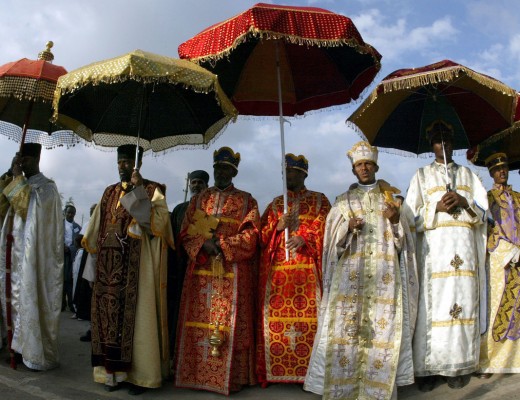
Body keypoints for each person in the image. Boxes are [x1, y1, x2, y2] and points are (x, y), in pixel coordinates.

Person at [304, 141, 418, 400]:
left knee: (382, 331)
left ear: (376, 166)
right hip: (350, 278)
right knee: (346, 330)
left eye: (367, 164)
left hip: (384, 277)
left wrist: (396, 220)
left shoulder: (393, 199)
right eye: (359, 165)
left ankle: (376, 389)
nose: (364, 168)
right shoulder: (342, 202)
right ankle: (344, 388)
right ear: (353, 170)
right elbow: (332, 245)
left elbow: (406, 246)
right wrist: (347, 228)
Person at [82, 144, 174, 395]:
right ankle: (111, 374)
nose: (123, 166)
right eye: (120, 162)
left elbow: (157, 227)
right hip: (108, 273)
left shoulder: (154, 190)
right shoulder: (108, 192)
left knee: (139, 322)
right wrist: (92, 268)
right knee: (108, 323)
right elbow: (93, 231)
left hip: (137, 272)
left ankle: (139, 377)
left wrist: (140, 191)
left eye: (127, 162)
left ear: (137, 164)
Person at [405, 120, 488, 391]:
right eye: (439, 140)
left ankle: (459, 366)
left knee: (462, 304)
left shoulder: (468, 175)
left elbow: (484, 215)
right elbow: (409, 218)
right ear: (432, 146)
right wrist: (436, 207)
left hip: (464, 252)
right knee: (434, 307)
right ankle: (428, 368)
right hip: (434, 255)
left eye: (449, 140)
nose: (445, 145)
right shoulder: (420, 176)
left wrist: (465, 202)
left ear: (454, 144)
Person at [174, 146, 260, 395]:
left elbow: (252, 234)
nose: (222, 172)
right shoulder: (200, 199)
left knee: (230, 322)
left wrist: (223, 245)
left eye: (226, 168)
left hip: (232, 272)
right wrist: (203, 244)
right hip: (201, 270)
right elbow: (185, 231)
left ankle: (230, 377)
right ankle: (196, 373)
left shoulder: (247, 200)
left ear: (234, 171)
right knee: (198, 321)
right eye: (218, 168)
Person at [256, 154, 331, 386]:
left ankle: (312, 374)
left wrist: (305, 237)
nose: (288, 176)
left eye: (293, 172)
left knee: (312, 321)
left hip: (307, 274)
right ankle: (275, 373)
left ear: (303, 174)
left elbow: (328, 227)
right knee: (275, 320)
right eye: (285, 172)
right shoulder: (277, 204)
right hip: (278, 274)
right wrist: (278, 226)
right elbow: (261, 236)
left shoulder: (320, 200)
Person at [0, 143, 64, 370]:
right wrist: (9, 174)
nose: (22, 163)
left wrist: (17, 179)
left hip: (33, 259)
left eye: (25, 160)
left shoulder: (47, 188)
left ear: (36, 159)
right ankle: (12, 346)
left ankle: (31, 352)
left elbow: (27, 207)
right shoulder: (20, 181)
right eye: (20, 159)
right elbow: (2, 206)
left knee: (27, 300)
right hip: (13, 254)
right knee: (12, 302)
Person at [476, 152, 520, 376]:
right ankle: (489, 361)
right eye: (497, 169)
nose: (502, 172)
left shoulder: (519, 197)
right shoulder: (487, 198)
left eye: (505, 168)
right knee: (495, 307)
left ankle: (515, 359)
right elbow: (486, 229)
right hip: (498, 259)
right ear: (491, 172)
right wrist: (507, 250)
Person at [168, 170, 209, 366]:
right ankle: (174, 356)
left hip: (201, 269)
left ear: (206, 186)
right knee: (176, 314)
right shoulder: (179, 209)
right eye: (194, 182)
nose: (196, 186)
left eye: (201, 182)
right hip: (179, 268)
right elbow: (172, 238)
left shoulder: (209, 208)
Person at [72, 203, 97, 341]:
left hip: (93, 260)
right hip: (87, 259)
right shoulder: (88, 223)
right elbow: (80, 240)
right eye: (91, 211)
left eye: (95, 211)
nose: (93, 213)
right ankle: (91, 329)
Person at [63, 204, 81, 315]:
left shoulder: (77, 227)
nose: (70, 214)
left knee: (69, 280)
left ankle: (71, 304)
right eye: (68, 212)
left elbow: (78, 242)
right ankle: (60, 305)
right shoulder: (58, 224)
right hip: (59, 255)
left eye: (72, 213)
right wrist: (62, 247)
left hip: (71, 255)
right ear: (65, 212)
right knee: (60, 279)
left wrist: (69, 249)